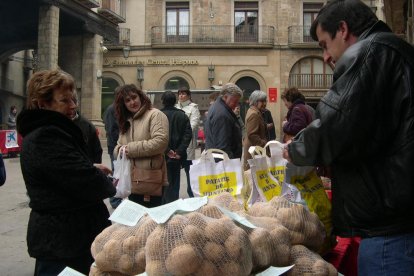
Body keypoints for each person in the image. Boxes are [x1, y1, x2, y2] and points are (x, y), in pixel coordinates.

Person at [283, 1, 414, 275]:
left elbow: (334, 125)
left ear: (343, 29)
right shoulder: (393, 51)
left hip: (392, 231)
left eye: (324, 44)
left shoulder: (370, 52)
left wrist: (296, 149)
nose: (326, 57)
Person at [16, 69, 116, 275]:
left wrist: (89, 167)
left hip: (71, 239)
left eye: (74, 100)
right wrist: (102, 180)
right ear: (42, 104)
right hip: (63, 242)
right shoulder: (47, 136)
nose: (73, 107)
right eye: (65, 101)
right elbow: (85, 181)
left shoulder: (54, 131)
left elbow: (65, 171)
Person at [114, 84, 169, 208]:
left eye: (134, 97)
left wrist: (129, 149)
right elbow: (118, 147)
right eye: (127, 100)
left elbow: (160, 142)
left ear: (141, 97)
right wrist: (119, 150)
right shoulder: (127, 120)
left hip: (150, 180)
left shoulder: (155, 115)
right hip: (131, 181)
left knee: (151, 222)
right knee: (137, 223)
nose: (132, 102)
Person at [160, 91, 192, 203]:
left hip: (162, 154)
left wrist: (167, 150)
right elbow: (188, 135)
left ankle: (164, 204)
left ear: (162, 101)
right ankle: (174, 203)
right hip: (177, 156)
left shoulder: (158, 115)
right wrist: (178, 151)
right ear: (175, 101)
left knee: (162, 181)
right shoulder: (182, 115)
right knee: (175, 180)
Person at [205, 83, 243, 159]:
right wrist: (232, 165)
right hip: (224, 164)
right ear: (225, 97)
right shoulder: (222, 115)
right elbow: (222, 147)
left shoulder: (218, 107)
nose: (236, 105)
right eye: (235, 101)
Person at [175, 87, 201, 197]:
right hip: (175, 143)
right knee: (175, 170)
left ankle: (191, 193)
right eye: (179, 93)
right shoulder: (175, 107)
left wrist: (181, 132)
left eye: (183, 93)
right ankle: (174, 194)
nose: (181, 96)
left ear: (188, 95)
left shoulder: (193, 108)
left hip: (187, 143)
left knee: (188, 170)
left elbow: (194, 124)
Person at [103, 102, 122, 209]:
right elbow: (111, 130)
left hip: (118, 147)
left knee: (119, 173)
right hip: (115, 147)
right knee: (116, 174)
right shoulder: (112, 109)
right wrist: (118, 144)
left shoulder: (118, 108)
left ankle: (117, 198)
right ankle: (114, 200)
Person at [243, 90, 268, 170]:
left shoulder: (254, 111)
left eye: (265, 101)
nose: (264, 103)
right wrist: (263, 143)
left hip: (254, 150)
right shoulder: (254, 114)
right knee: (253, 177)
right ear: (255, 101)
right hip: (254, 151)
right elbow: (252, 134)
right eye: (262, 101)